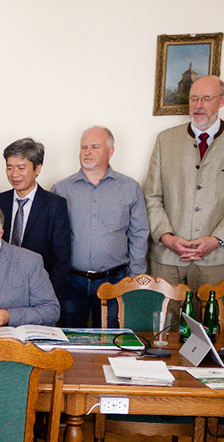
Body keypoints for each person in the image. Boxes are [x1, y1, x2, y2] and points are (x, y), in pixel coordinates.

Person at [143, 75, 224, 289]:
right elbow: (152, 195)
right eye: (194, 99)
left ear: (222, 100)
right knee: (164, 311)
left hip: (216, 257)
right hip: (166, 256)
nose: (198, 105)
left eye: (206, 98)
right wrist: (166, 237)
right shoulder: (165, 139)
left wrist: (217, 239)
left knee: (209, 312)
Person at [51, 126, 149, 327]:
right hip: (71, 282)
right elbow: (52, 237)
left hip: (115, 281)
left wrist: (134, 280)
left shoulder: (129, 188)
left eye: (95, 147)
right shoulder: (61, 189)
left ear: (110, 151)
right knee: (71, 339)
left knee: (110, 339)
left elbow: (139, 234)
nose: (87, 152)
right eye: (83, 147)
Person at [0, 137, 70, 293]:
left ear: (37, 168)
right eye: (9, 168)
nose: (14, 174)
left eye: (21, 167)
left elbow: (61, 258)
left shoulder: (55, 205)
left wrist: (48, 294)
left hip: (38, 287)